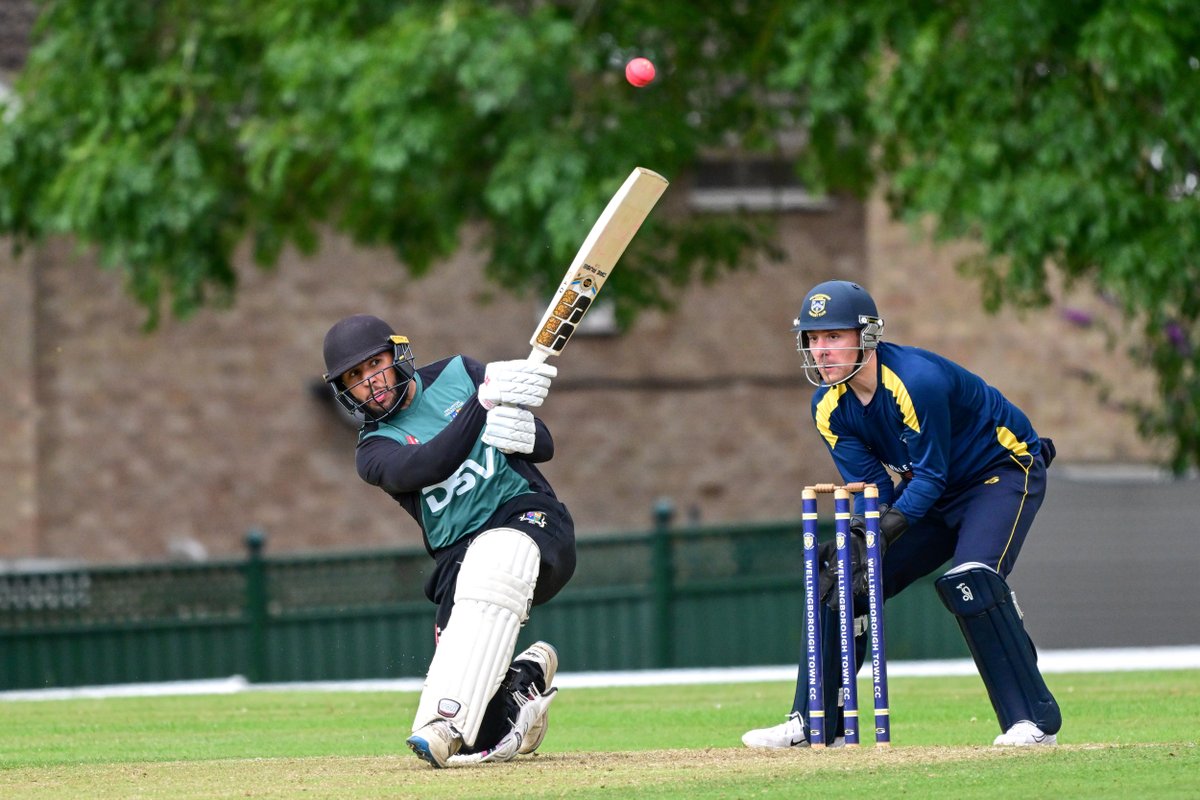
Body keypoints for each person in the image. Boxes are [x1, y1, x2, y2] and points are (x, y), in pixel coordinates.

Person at [742, 280, 1061, 748]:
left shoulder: (915, 381)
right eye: (813, 338)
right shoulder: (828, 407)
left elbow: (930, 475)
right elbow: (875, 487)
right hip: (931, 492)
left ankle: (1033, 720)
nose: (821, 349)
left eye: (834, 336)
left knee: (971, 579)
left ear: (867, 336)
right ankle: (816, 722)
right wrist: (858, 539)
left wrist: (880, 533)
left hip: (999, 471)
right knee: (840, 577)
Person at [321, 314, 577, 768]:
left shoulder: (459, 373)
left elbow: (543, 446)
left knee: (500, 551)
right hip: (459, 559)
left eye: (375, 364)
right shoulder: (373, 450)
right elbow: (426, 465)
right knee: (474, 735)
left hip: (530, 518)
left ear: (397, 355)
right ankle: (523, 683)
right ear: (346, 391)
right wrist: (483, 405)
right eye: (355, 377)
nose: (370, 381)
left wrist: (522, 431)